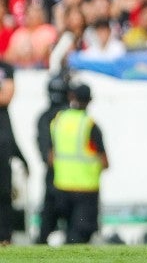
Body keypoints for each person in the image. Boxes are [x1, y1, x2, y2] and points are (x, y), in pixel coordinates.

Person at [49, 82, 109, 244]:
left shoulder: (58, 121)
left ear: (71, 96)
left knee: (67, 232)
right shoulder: (89, 125)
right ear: (90, 100)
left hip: (61, 186)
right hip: (85, 190)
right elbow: (104, 161)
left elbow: (51, 155)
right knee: (80, 236)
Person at [36, 72, 70, 244]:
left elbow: (45, 153)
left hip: (55, 178)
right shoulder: (70, 117)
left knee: (46, 230)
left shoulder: (45, 118)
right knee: (73, 235)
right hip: (72, 180)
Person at [0, 59, 29, 245]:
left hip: (2, 137)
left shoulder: (5, 67)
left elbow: (6, 96)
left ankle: (4, 236)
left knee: (3, 190)